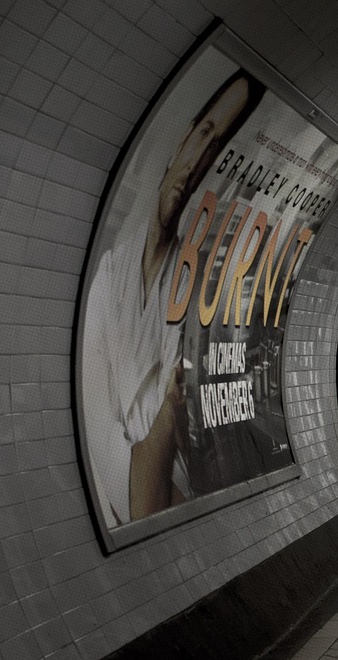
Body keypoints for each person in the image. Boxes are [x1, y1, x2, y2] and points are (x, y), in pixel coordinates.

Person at [82, 70, 265, 527]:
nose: (198, 160)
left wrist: (158, 440)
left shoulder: (196, 287)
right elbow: (138, 500)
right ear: (182, 138)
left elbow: (164, 500)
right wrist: (165, 414)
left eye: (216, 147)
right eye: (203, 133)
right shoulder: (107, 274)